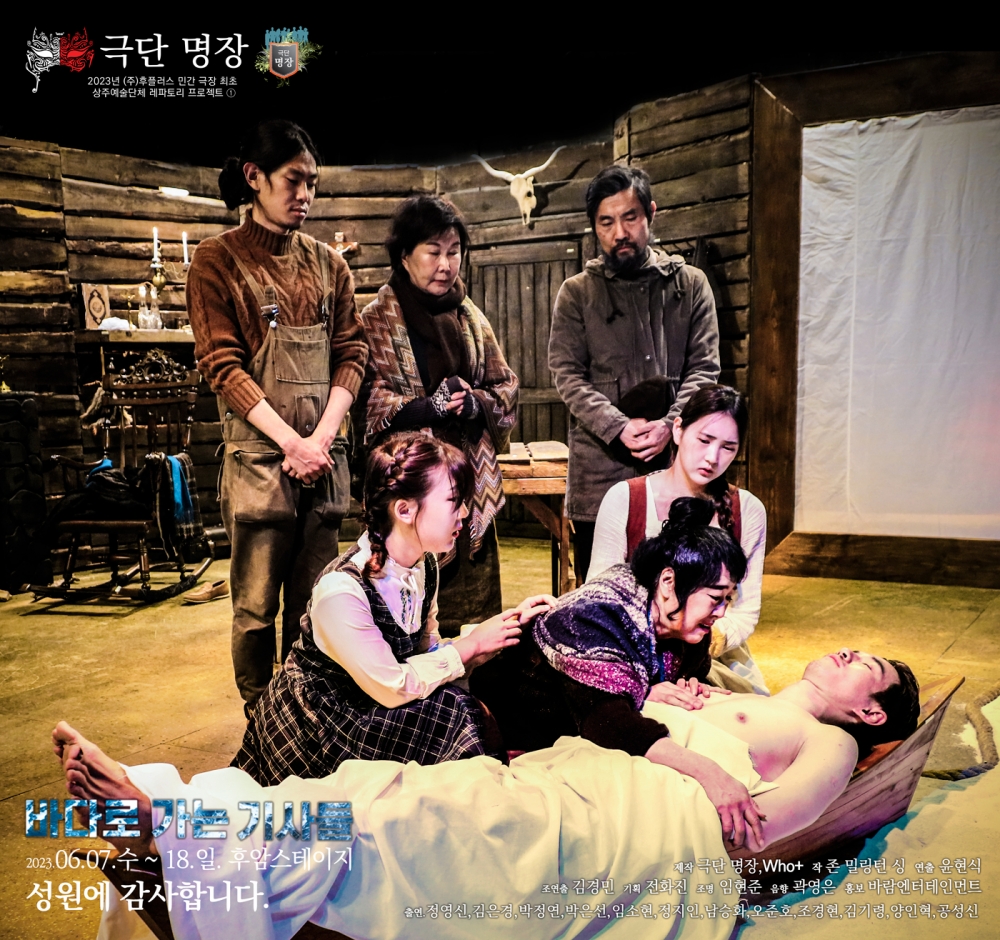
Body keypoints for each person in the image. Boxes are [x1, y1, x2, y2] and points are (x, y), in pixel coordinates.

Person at [52, 649, 918, 939]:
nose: (847, 655)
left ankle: (175, 824)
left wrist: (698, 762)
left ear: (872, 710)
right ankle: (185, 818)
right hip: (591, 770)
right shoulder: (735, 690)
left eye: (867, 665)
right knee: (392, 789)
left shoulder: (833, 741)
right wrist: (667, 704)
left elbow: (767, 823)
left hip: (648, 815)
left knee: (429, 819)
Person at [233, 432, 553, 785]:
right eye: (453, 500)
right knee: (455, 713)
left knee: (497, 678)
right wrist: (471, 645)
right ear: (403, 510)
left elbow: (426, 655)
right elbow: (392, 685)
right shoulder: (342, 590)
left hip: (376, 700)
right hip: (324, 726)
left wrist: (507, 626)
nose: (464, 513)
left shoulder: (424, 565)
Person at [186, 120, 367, 707]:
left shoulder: (329, 265)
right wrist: (293, 443)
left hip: (323, 462)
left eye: (312, 182)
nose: (305, 195)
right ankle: (260, 719)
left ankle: (306, 714)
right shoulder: (216, 261)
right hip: (262, 465)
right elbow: (223, 366)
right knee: (256, 608)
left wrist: (322, 438)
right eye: (293, 180)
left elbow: (352, 353)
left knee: (319, 604)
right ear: (254, 177)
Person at [471, 497, 746, 760]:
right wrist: (712, 775)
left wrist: (686, 682)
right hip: (502, 729)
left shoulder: (685, 625)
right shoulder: (592, 618)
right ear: (667, 581)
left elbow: (691, 669)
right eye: (715, 598)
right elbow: (607, 724)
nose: (721, 612)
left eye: (728, 599)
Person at [548, 164, 720, 582]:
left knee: (680, 584)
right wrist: (618, 427)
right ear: (594, 226)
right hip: (601, 471)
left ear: (650, 214)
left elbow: (705, 368)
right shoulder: (577, 294)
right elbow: (566, 373)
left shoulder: (690, 286)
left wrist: (670, 426)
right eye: (606, 222)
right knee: (601, 591)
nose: (619, 232)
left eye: (630, 217)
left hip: (675, 467)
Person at [356, 195, 518, 635]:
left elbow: (505, 385)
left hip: (468, 486)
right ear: (404, 256)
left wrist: (475, 403)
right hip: (411, 491)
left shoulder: (470, 317)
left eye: (454, 251)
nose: (445, 265)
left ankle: (477, 674)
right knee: (411, 618)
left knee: (477, 619)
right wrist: (427, 408)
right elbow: (366, 399)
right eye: (433, 252)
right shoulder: (376, 321)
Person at [589, 385, 769, 693]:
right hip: (629, 649)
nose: (712, 458)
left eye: (728, 447)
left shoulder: (747, 510)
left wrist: (704, 638)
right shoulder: (626, 499)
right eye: (704, 440)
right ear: (678, 430)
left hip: (712, 652)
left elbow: (745, 610)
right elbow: (600, 596)